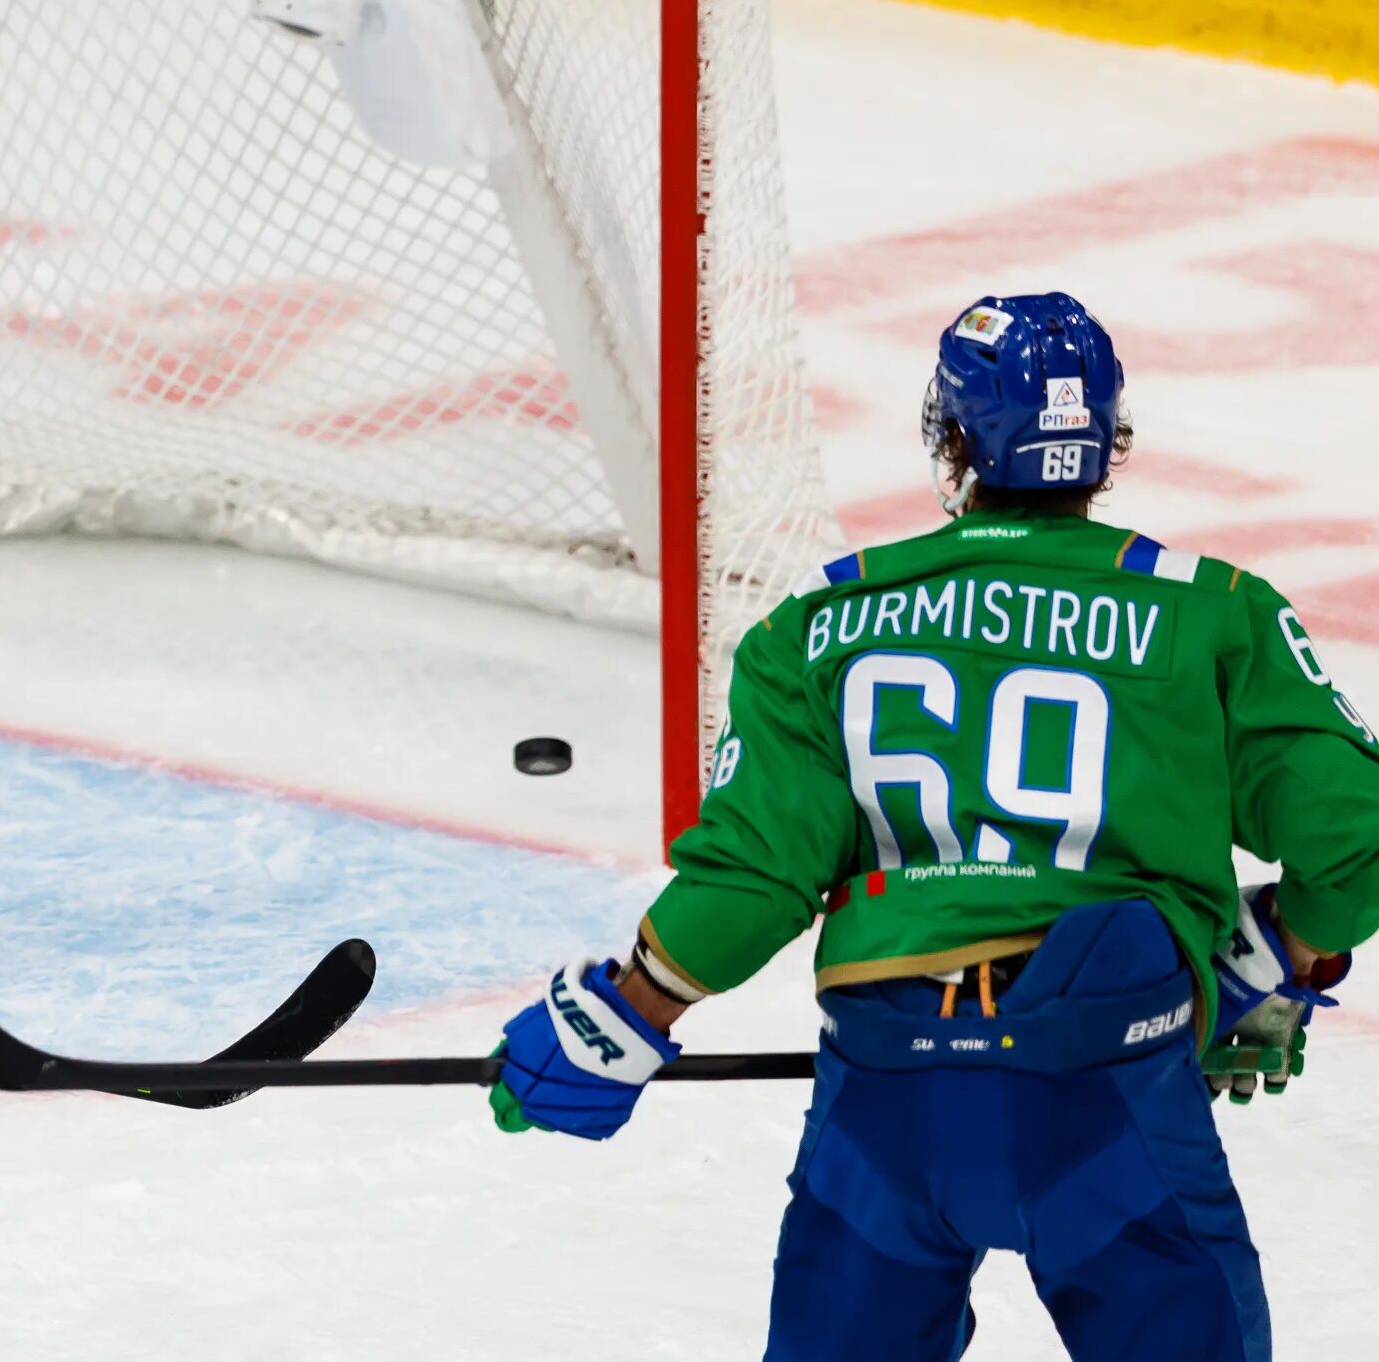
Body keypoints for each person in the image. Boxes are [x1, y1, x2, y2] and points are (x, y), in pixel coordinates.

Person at [487, 292, 1378, 1361]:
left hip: (886, 1101)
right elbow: (1357, 836)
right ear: (1108, 444)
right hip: (1105, 1091)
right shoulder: (1211, 609)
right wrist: (1281, 950)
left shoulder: (818, 623)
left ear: (952, 439)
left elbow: (757, 873)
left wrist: (625, 1011)